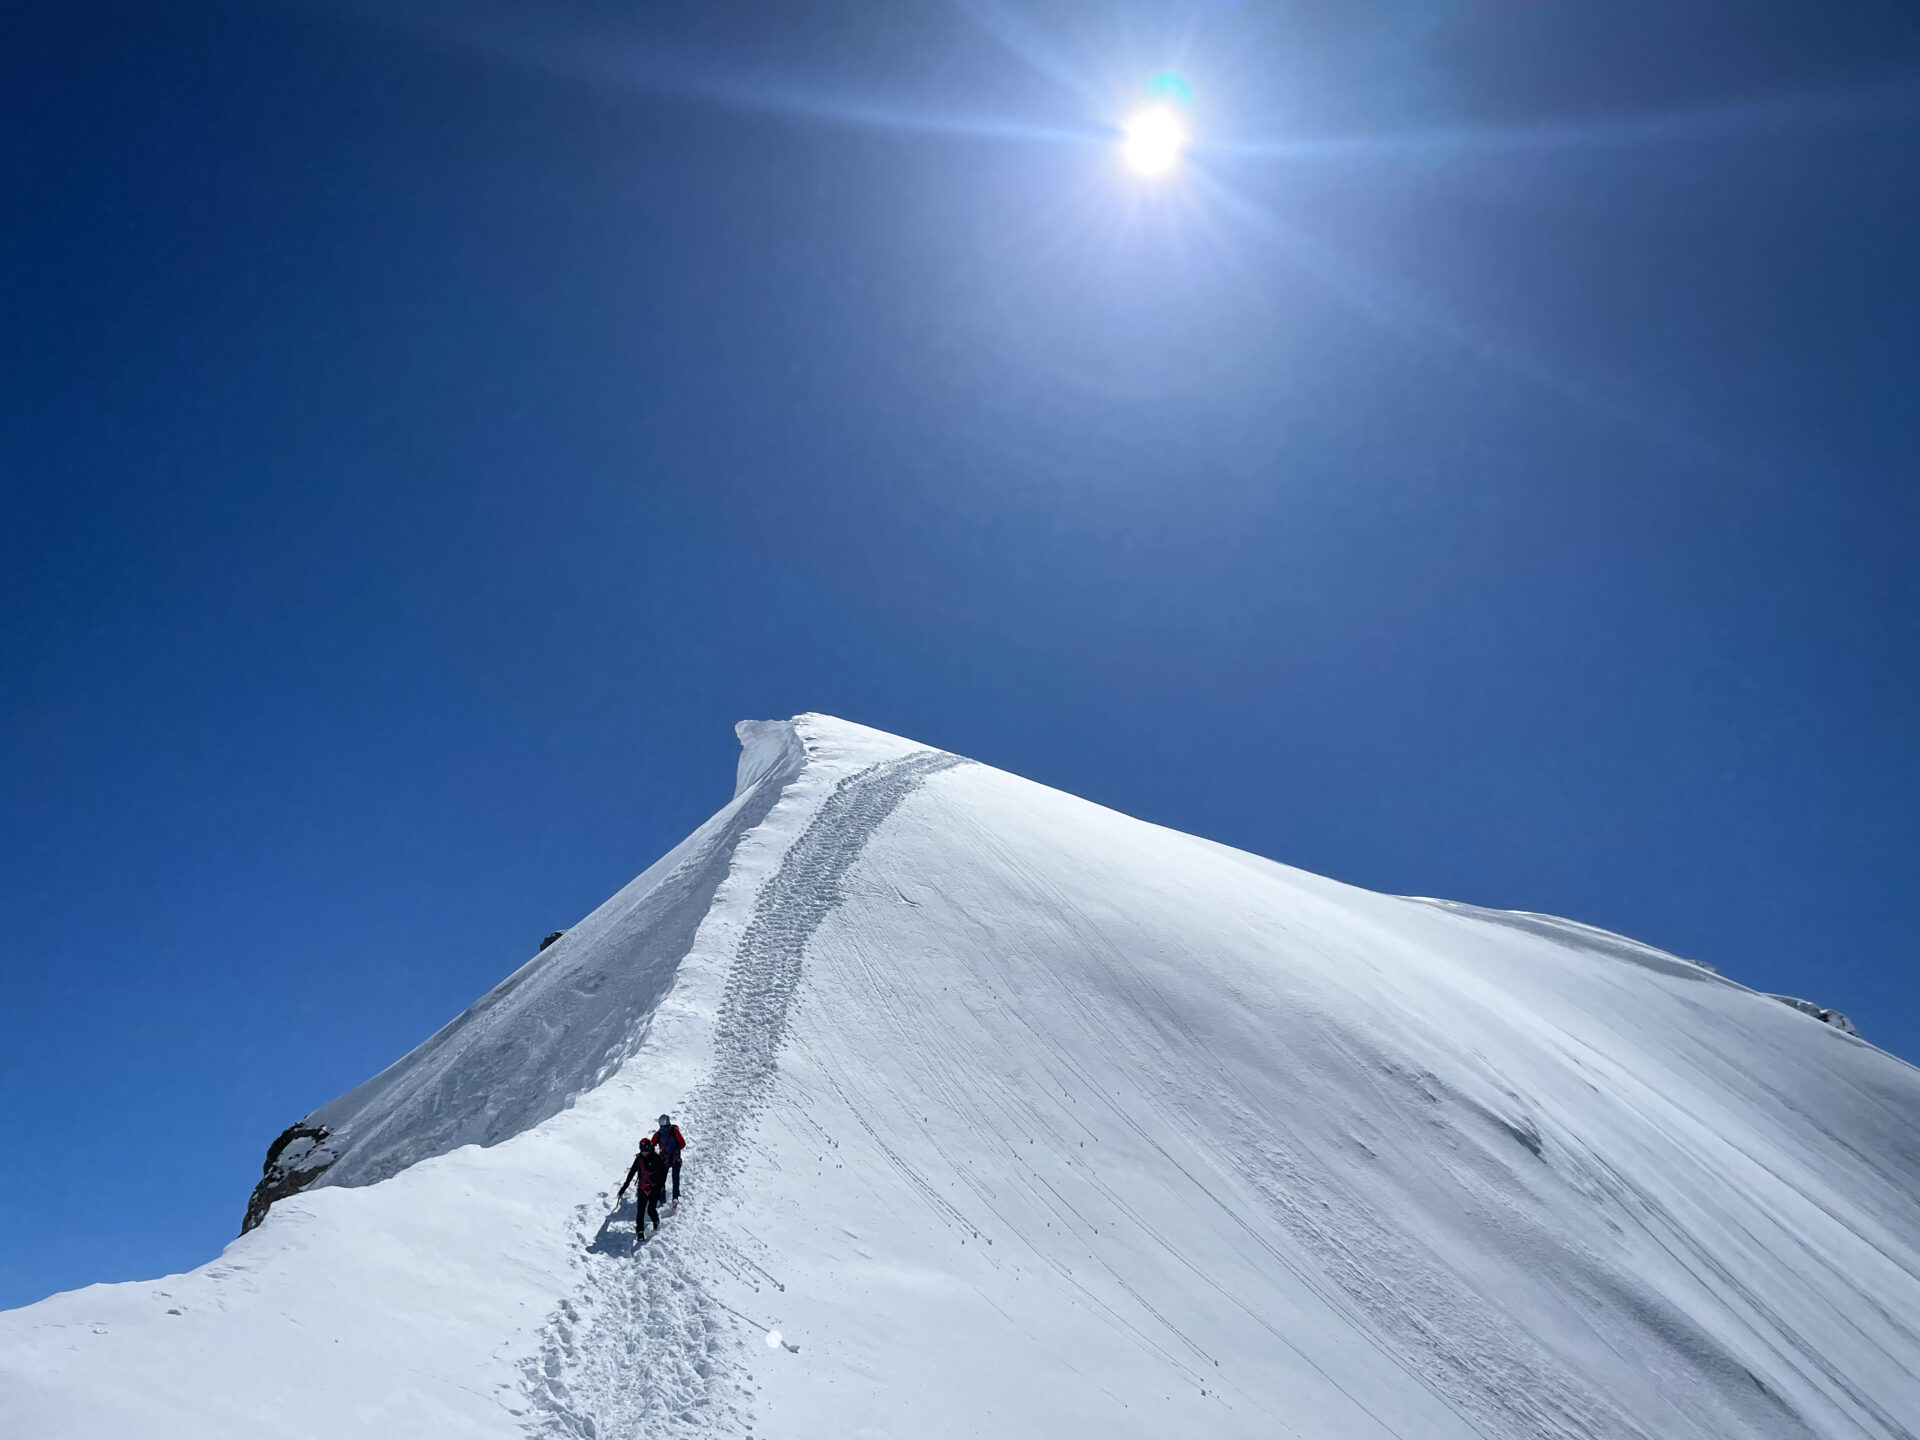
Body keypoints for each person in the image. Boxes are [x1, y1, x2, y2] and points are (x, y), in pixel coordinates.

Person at [618, 1134, 664, 1242]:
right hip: (643, 1188)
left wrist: (659, 1186)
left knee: (651, 1210)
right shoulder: (639, 1159)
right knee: (640, 1211)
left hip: (655, 1189)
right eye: (642, 1151)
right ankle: (640, 1233)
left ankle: (656, 1222)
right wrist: (623, 1189)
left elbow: (663, 1174)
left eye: (645, 1150)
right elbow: (631, 1174)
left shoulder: (657, 1158)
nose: (644, 1153)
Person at [653, 1113, 687, 1204]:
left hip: (664, 1159)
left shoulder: (659, 1133)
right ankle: (675, 1197)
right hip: (675, 1158)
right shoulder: (674, 1130)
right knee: (675, 1178)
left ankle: (661, 1199)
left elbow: (652, 1143)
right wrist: (676, 1149)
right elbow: (683, 1143)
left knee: (661, 1179)